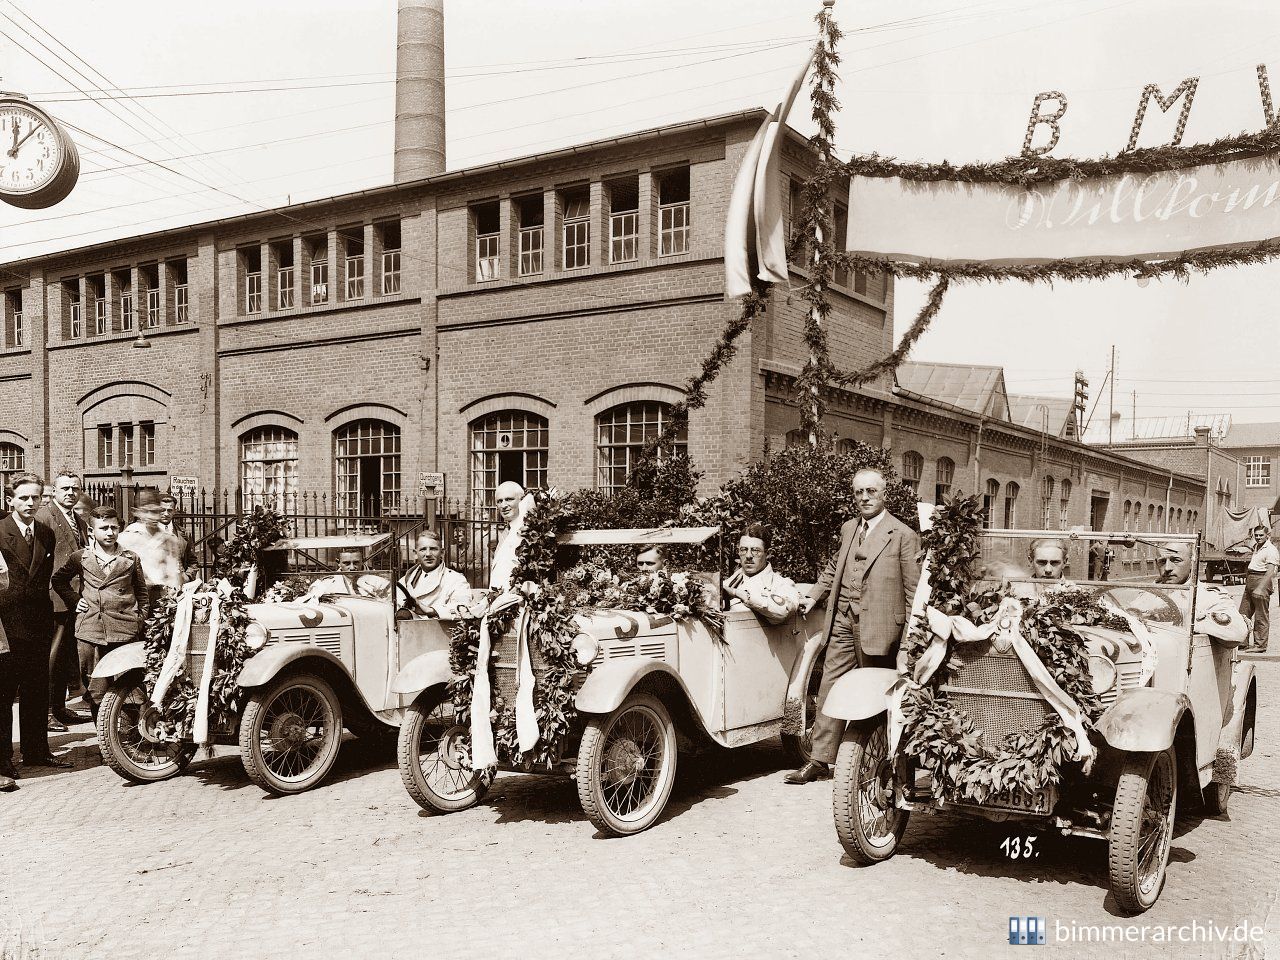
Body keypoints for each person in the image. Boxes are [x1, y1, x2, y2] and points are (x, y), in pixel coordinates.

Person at [787, 468, 920, 785]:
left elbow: (915, 594)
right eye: (859, 492)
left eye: (871, 491)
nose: (864, 498)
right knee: (829, 686)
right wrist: (813, 595)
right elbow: (836, 566)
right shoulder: (849, 528)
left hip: (881, 631)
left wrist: (908, 644)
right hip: (843, 621)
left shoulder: (902, 535)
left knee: (876, 697)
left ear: (883, 495)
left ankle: (875, 762)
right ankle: (820, 760)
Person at [0, 473, 72, 788]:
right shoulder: (0, 531)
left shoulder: (45, 532)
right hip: (7, 623)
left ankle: (36, 752)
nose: (31, 503)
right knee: (4, 694)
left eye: (37, 497)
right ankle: (3, 760)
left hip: (37, 621)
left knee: (36, 688)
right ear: (10, 500)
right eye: (24, 498)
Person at [52, 508, 149, 723]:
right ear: (91, 530)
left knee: (131, 687)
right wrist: (76, 601)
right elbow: (59, 580)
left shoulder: (130, 558)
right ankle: (104, 742)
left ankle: (130, 741)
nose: (110, 532)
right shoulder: (81, 557)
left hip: (125, 629)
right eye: (103, 528)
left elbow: (141, 591)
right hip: (91, 631)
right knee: (96, 689)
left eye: (114, 527)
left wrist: (140, 617)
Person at [35, 471, 91, 731]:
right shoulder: (44, 517)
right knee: (50, 657)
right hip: (53, 598)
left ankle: (59, 707)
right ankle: (44, 712)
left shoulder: (78, 519)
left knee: (66, 656)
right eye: (65, 488)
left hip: (73, 598)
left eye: (75, 488)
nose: (70, 493)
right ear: (54, 491)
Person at [1152, 540, 1248, 643]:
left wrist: (1182, 618)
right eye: (1162, 561)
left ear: (1193, 562)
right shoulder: (1146, 594)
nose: (1167, 568)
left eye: (1176, 560)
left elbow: (1237, 632)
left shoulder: (1208, 597)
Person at [722, 524, 799, 625]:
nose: (748, 556)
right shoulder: (728, 583)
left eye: (755, 551)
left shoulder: (781, 584)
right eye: (743, 550)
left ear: (768, 553)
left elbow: (783, 611)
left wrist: (737, 593)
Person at [118, 489, 184, 604]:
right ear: (137, 512)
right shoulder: (126, 539)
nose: (153, 516)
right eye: (147, 511)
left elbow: (174, 572)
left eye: (156, 511)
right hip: (136, 599)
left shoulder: (169, 539)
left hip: (164, 598)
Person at [398, 531, 471, 618]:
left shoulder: (455, 579)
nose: (428, 554)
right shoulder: (406, 580)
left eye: (433, 549)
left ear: (442, 553)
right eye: (423, 549)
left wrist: (431, 610)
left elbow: (463, 607)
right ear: (415, 554)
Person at [1239, 524, 1277, 653]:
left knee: (1261, 616)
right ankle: (1242, 643)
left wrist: (1260, 588)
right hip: (1251, 580)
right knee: (1243, 614)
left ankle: (1260, 645)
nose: (1258, 537)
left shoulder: (1270, 549)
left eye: (1261, 535)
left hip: (1262, 580)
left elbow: (1271, 571)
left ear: (1268, 535)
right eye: (1256, 535)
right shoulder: (1257, 547)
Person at [305, 548, 392, 601]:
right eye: (346, 563)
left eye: (356, 563)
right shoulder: (326, 585)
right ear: (338, 563)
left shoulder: (379, 582)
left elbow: (394, 604)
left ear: (363, 561)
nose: (352, 568)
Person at [157, 492, 200, 583]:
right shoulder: (149, 532)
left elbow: (193, 561)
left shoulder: (184, 533)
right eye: (162, 510)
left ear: (174, 511)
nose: (166, 513)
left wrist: (188, 577)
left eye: (169, 510)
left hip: (178, 584)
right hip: (156, 585)